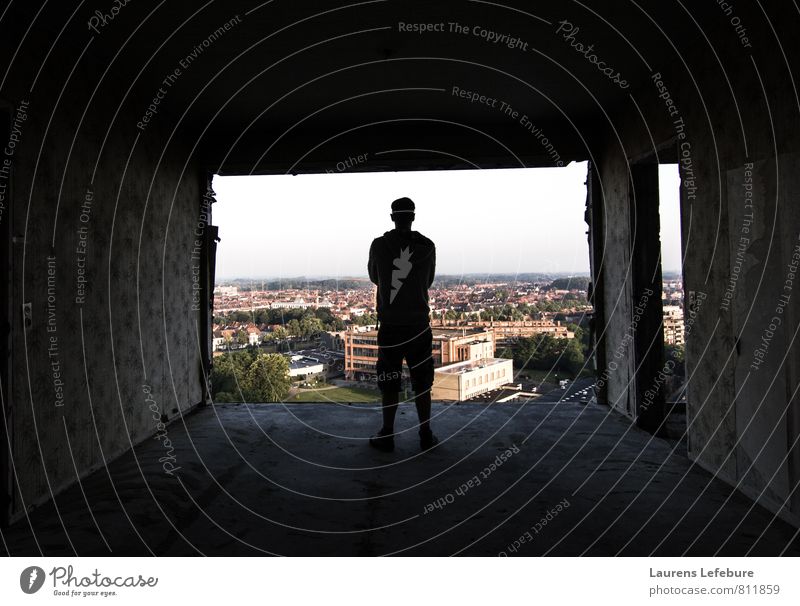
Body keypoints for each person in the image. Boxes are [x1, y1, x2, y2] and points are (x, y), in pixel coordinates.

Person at [367, 197, 438, 452]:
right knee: (422, 381)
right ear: (414, 217)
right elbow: (427, 281)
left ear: (392, 217)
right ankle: (425, 434)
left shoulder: (379, 246)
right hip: (418, 324)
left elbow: (375, 277)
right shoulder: (427, 247)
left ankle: (387, 434)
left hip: (391, 324)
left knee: (389, 379)